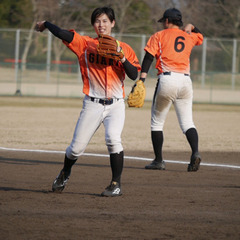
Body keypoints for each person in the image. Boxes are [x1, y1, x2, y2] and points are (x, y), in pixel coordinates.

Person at [35, 7, 141, 196]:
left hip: (116, 104)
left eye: (105, 21)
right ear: (94, 25)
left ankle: (116, 184)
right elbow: (63, 34)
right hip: (92, 103)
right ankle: (65, 172)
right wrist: (45, 24)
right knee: (75, 149)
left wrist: (121, 56)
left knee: (113, 139)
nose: (101, 25)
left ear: (113, 23)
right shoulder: (85, 44)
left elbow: (133, 74)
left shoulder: (125, 48)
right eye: (97, 21)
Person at [138, 8, 203, 171]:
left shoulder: (159, 36)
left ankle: (159, 160)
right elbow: (200, 37)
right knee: (188, 122)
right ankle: (195, 153)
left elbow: (148, 58)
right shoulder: (189, 36)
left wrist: (141, 80)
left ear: (167, 21)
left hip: (167, 79)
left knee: (157, 123)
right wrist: (192, 26)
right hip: (186, 81)